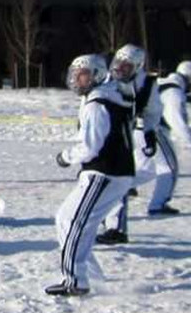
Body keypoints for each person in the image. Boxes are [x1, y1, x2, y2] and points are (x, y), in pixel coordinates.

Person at [48, 54, 135, 297]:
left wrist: (66, 156)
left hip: (105, 171)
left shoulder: (97, 103)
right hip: (109, 172)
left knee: (73, 221)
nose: (77, 79)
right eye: (75, 74)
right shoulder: (106, 96)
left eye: (83, 73)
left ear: (97, 75)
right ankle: (91, 277)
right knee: (68, 219)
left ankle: (75, 280)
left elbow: (90, 146)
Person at [96, 44, 161, 245]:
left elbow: (153, 111)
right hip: (102, 133)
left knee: (119, 180)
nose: (120, 69)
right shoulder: (104, 79)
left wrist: (150, 132)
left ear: (137, 67)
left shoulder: (147, 84)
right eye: (118, 64)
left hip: (124, 135)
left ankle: (116, 229)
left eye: (126, 66)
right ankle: (105, 222)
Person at [146, 60, 191, 215]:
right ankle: (158, 205)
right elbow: (175, 118)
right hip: (155, 130)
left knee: (144, 168)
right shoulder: (174, 91)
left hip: (140, 129)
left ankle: (122, 190)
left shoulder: (161, 82)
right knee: (169, 167)